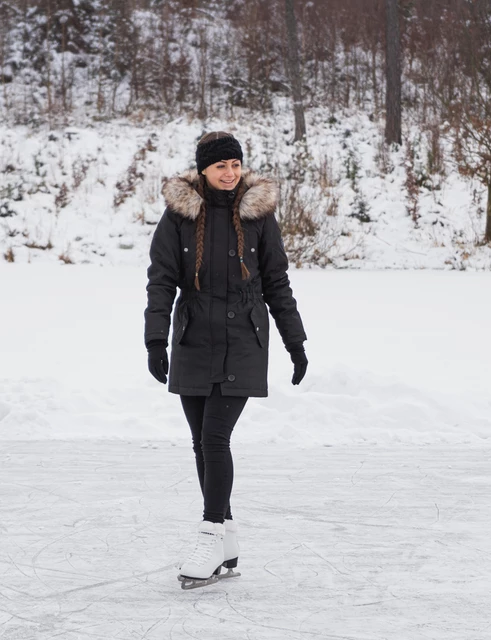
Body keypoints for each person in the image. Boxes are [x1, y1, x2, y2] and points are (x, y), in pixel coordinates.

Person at [143, 131, 308, 588]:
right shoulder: (179, 215)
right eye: (221, 166)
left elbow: (277, 283)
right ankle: (228, 537)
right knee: (200, 441)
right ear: (204, 170)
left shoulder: (257, 215)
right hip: (194, 338)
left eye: (235, 164)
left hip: (243, 338)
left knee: (215, 438)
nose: (230, 173)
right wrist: (156, 340)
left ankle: (210, 531)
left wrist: (296, 343)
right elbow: (161, 280)